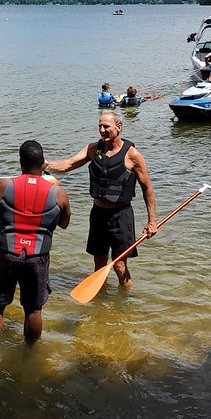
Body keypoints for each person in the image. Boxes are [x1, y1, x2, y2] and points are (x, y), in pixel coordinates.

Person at [45, 111, 157, 288]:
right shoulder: (92, 149)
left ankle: (125, 303)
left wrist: (152, 221)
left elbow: (147, 188)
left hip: (121, 215)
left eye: (106, 126)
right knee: (99, 262)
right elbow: (68, 164)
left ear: (119, 128)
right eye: (100, 126)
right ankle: (100, 302)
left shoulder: (132, 155)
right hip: (98, 214)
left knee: (119, 264)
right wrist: (45, 164)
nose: (102, 130)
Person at [0, 141, 71, 346]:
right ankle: (30, 354)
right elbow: (65, 223)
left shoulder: (3, 185)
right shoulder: (58, 193)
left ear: (21, 163)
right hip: (37, 257)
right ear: (43, 164)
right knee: (33, 309)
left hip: (6, 253)